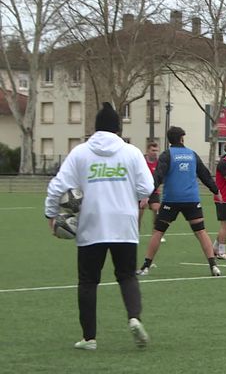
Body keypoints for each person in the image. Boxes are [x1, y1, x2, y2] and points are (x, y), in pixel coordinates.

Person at [45, 102, 154, 350]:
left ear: (95, 128)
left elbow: (57, 187)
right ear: (118, 128)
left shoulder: (81, 153)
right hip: (124, 224)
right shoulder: (132, 152)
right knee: (126, 276)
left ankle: (89, 338)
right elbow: (146, 188)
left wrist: (50, 214)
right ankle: (134, 318)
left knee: (88, 281)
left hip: (91, 224)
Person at [137, 126, 222, 276]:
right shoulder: (192, 154)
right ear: (182, 138)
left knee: (158, 232)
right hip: (192, 200)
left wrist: (146, 195)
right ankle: (213, 265)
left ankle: (145, 267)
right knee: (201, 231)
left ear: (169, 140)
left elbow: (158, 176)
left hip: (171, 200)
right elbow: (205, 174)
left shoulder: (167, 155)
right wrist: (216, 191)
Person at [138, 141, 166, 243]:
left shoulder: (159, 163)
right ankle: (136, 234)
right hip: (141, 191)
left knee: (157, 209)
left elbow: (161, 177)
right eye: (152, 150)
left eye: (156, 151)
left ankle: (156, 234)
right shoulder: (141, 161)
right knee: (139, 214)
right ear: (147, 150)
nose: (155, 152)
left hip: (154, 191)